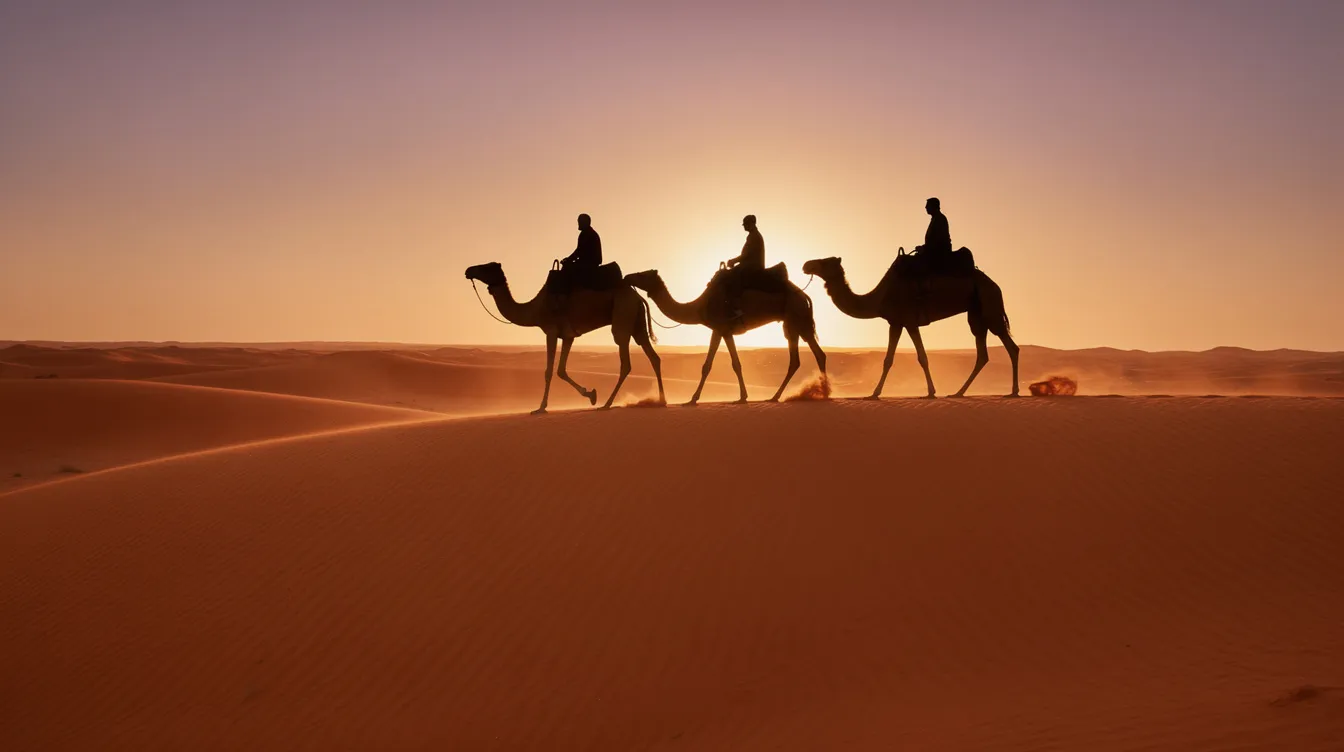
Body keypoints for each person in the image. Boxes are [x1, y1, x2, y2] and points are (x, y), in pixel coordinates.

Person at [560, 213, 602, 287]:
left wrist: (568, 260)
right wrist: (569, 259)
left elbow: (580, 251)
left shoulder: (588, 234)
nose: (578, 223)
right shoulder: (586, 233)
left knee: (567, 269)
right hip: (587, 262)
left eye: (580, 221)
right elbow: (579, 251)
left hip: (590, 263)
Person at [915, 197, 952, 272]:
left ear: (933, 206)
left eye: (928, 205)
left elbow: (938, 241)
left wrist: (924, 249)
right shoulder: (936, 219)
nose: (926, 207)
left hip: (939, 254)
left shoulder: (940, 219)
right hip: (934, 251)